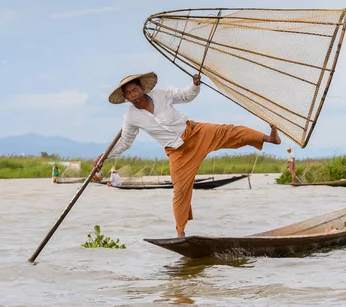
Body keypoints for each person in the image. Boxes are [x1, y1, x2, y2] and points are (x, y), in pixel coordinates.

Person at [94, 71, 281, 238]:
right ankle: (180, 233)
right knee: (180, 191)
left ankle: (269, 138)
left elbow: (185, 95)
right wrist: (105, 156)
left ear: (142, 88)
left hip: (194, 133)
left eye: (134, 90)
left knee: (229, 131)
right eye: (128, 93)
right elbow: (125, 141)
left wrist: (195, 84)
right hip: (177, 152)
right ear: (125, 97)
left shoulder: (161, 94)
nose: (132, 95)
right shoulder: (131, 117)